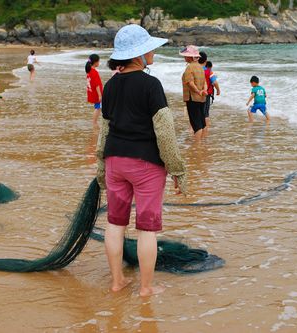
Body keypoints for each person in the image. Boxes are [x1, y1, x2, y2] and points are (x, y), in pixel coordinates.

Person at [96, 24, 187, 296]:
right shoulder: (151, 85)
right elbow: (165, 132)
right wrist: (177, 170)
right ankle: (146, 288)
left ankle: (117, 282)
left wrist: (101, 168)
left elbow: (104, 131)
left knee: (115, 224)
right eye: (150, 48)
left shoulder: (110, 86)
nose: (154, 52)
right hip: (146, 165)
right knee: (147, 228)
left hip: (115, 162)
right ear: (138, 55)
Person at [180, 45, 207, 140]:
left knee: (196, 124)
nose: (184, 57)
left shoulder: (189, 68)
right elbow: (205, 83)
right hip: (202, 98)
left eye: (185, 56)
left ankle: (197, 146)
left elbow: (190, 84)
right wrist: (203, 91)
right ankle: (202, 143)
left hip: (192, 98)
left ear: (189, 57)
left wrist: (198, 92)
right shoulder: (200, 67)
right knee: (202, 122)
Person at [198, 52, 221, 131]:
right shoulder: (209, 71)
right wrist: (218, 90)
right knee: (206, 113)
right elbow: (214, 82)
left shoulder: (195, 70)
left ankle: (196, 129)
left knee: (198, 112)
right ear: (206, 60)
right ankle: (205, 130)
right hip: (206, 94)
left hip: (196, 93)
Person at [85, 54, 103, 127]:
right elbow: (97, 85)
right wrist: (99, 95)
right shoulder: (94, 72)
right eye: (98, 61)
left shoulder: (89, 71)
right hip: (96, 93)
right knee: (98, 108)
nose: (99, 63)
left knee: (98, 107)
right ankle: (94, 122)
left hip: (92, 92)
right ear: (95, 62)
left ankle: (95, 121)